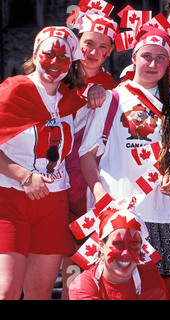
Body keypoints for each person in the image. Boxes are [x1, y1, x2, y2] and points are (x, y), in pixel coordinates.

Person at [79, 26, 170, 299]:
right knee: (115, 291)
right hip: (119, 215)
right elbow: (86, 155)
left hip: (163, 212)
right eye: (146, 56)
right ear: (134, 58)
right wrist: (101, 195)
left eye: (161, 58)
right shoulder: (111, 98)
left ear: (169, 62)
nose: (153, 64)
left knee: (165, 292)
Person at [0, 26, 86, 299]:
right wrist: (24, 176)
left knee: (40, 292)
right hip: (11, 200)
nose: (54, 63)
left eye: (63, 58)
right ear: (36, 55)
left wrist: (96, 91)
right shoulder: (13, 90)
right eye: (48, 54)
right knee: (7, 290)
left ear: (71, 62)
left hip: (54, 202)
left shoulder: (73, 100)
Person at [62, 5, 119, 299]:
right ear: (77, 44)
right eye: (88, 44)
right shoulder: (58, 78)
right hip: (56, 179)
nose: (93, 52)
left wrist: (98, 89)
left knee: (87, 255)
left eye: (102, 47)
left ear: (109, 52)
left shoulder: (111, 86)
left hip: (89, 180)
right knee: (63, 256)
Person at [69, 208, 168, 300]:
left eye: (134, 245)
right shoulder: (83, 285)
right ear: (101, 246)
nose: (126, 253)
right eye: (118, 244)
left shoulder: (152, 283)